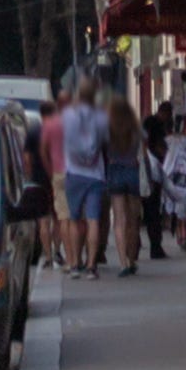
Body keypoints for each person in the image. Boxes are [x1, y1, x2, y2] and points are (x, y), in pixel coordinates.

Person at [51, 74, 106, 277]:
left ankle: (74, 263)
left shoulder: (69, 115)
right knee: (93, 220)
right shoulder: (100, 116)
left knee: (74, 220)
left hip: (74, 173)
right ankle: (91, 265)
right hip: (95, 175)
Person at [100, 86, 150, 277]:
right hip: (132, 170)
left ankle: (122, 263)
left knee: (119, 219)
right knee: (133, 219)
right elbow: (144, 148)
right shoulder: (135, 127)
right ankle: (131, 257)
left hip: (115, 171)